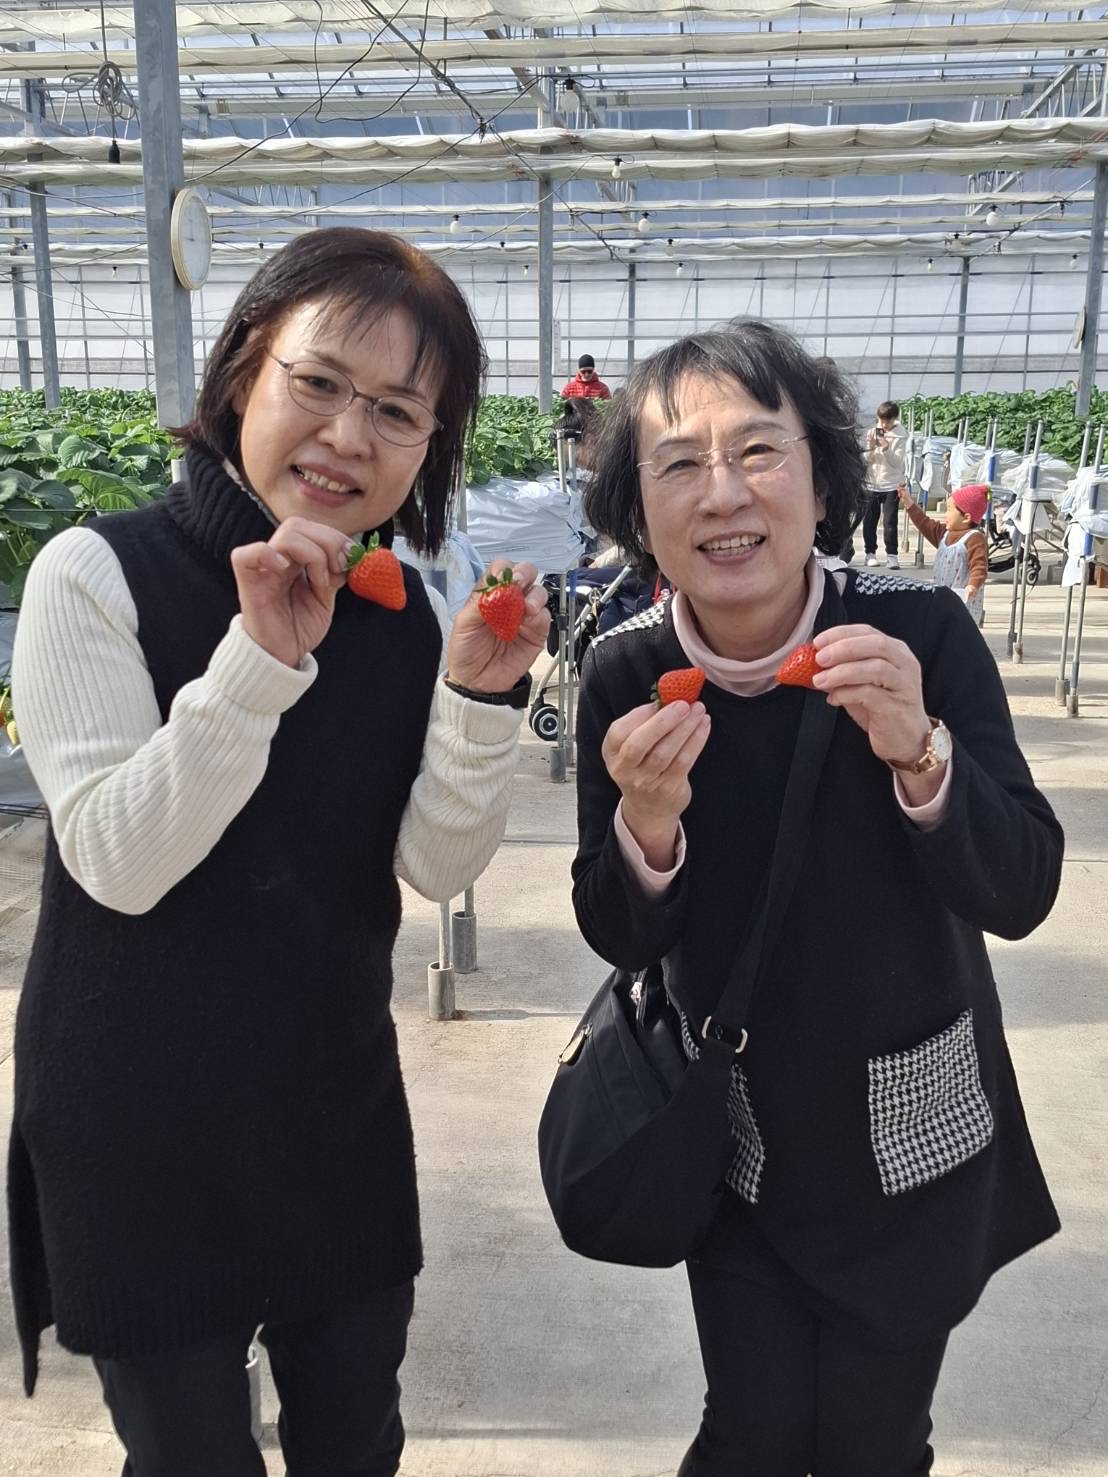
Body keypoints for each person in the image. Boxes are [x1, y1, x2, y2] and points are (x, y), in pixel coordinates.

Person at [8, 228, 549, 1476]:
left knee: (356, 1435)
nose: (348, 436)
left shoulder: (400, 612)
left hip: (330, 1100)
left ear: (429, 445)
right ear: (245, 365)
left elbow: (435, 865)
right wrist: (258, 660)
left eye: (397, 411)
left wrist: (475, 702)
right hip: (135, 1118)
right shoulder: (96, 575)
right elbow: (119, 859)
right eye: (319, 383)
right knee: (189, 1455)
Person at [571, 321, 1062, 1476]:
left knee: (872, 1441)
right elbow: (616, 927)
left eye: (758, 450)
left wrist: (919, 749)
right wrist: (646, 825)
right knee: (748, 1431)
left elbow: (1023, 885)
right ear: (639, 510)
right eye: (677, 464)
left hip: (910, 1135)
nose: (722, 491)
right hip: (734, 1134)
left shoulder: (915, 630)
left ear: (823, 479)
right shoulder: (625, 670)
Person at [900, 480, 989, 626]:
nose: (945, 514)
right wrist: (909, 503)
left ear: (966, 518)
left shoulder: (975, 538)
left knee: (957, 634)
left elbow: (979, 566)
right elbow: (925, 523)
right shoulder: (944, 534)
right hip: (942, 599)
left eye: (949, 509)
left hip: (963, 604)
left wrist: (973, 586)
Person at [856, 399, 907, 568]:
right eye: (881, 420)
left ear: (895, 419)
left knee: (890, 521)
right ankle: (870, 554)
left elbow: (897, 462)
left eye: (888, 421)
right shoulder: (873, 432)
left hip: (891, 484)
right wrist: (871, 447)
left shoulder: (901, 435)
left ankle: (892, 555)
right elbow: (866, 460)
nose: (884, 425)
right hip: (871, 483)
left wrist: (886, 448)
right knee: (869, 521)